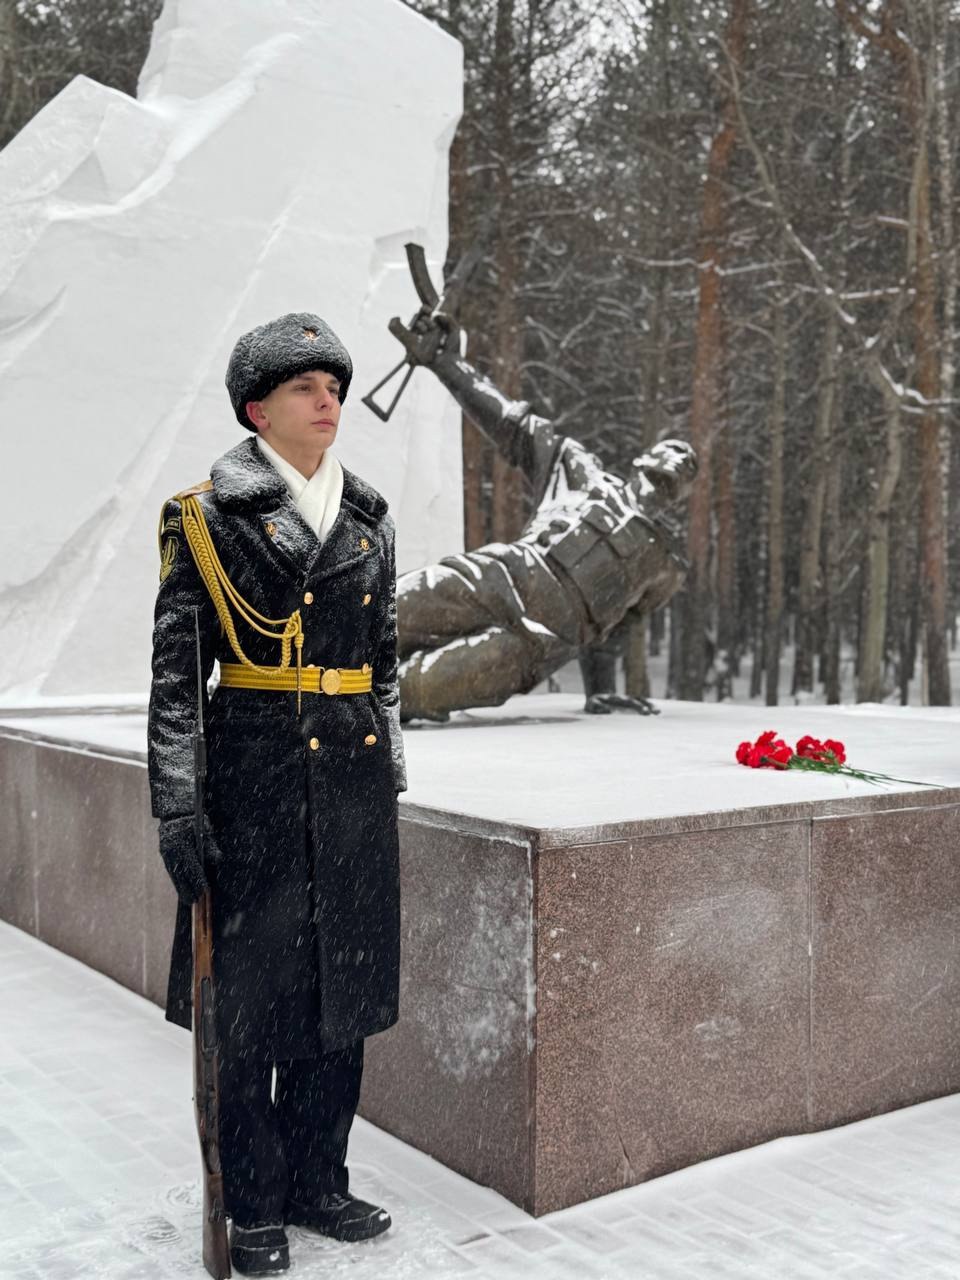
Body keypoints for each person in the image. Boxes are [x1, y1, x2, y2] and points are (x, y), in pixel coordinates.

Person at [148, 313, 406, 1276]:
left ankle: (317, 1182)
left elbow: (384, 662)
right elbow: (177, 680)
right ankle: (254, 1202)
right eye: (305, 388)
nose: (328, 401)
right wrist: (179, 804)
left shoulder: (369, 516)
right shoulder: (206, 517)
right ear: (257, 409)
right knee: (250, 1006)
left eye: (333, 387)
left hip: (353, 781)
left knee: (341, 997)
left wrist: (390, 769)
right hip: (253, 779)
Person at [387, 308, 698, 722]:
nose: (680, 462)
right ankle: (298, 672)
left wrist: (602, 690)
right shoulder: (581, 472)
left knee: (416, 690)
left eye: (685, 471)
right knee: (386, 613)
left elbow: (617, 629)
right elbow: (512, 424)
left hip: (542, 641)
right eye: (671, 455)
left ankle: (333, 716)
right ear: (641, 461)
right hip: (503, 575)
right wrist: (447, 363)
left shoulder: (664, 565)